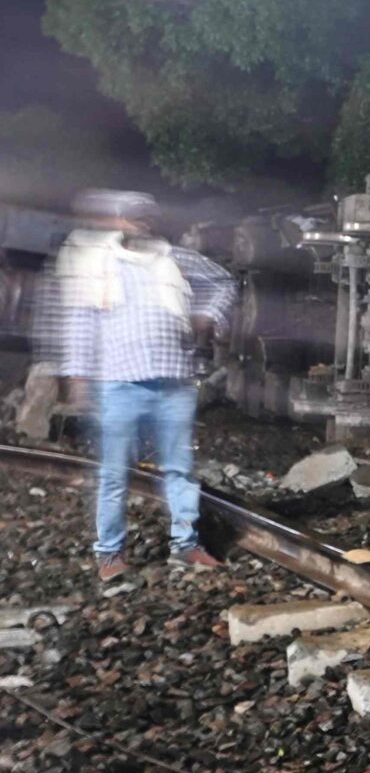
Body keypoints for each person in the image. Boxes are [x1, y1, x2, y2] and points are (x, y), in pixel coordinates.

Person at [40, 190, 238, 581]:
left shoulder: (174, 259)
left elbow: (224, 282)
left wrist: (207, 316)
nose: (140, 224)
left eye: (146, 217)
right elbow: (82, 324)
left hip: (173, 380)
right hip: (120, 382)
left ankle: (186, 545)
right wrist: (77, 378)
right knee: (115, 473)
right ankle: (110, 554)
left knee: (179, 469)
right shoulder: (98, 267)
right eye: (132, 217)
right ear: (120, 222)